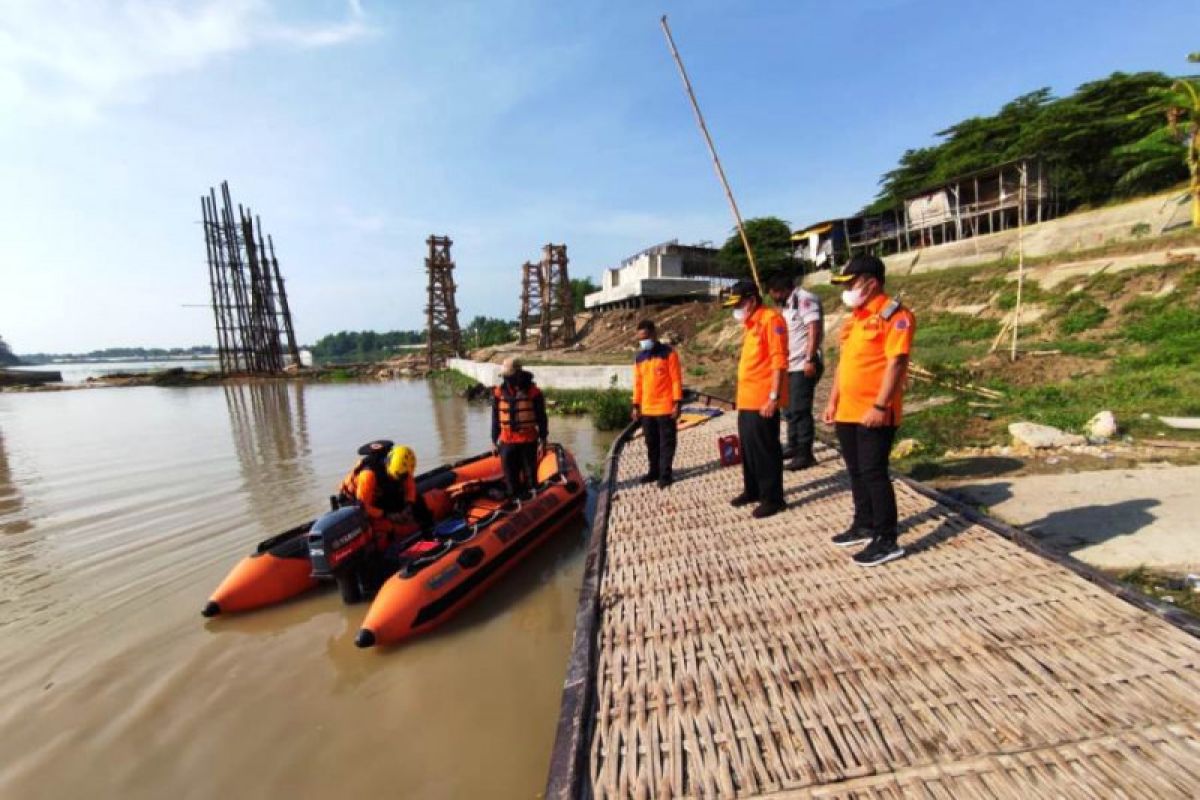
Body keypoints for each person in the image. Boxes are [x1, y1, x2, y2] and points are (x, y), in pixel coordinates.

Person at [823, 254, 916, 567]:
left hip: (874, 410)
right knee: (856, 471)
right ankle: (864, 523)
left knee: (874, 473)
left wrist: (880, 405)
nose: (847, 289)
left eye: (850, 283)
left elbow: (897, 362)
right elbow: (844, 364)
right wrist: (832, 401)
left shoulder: (895, 316)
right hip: (848, 410)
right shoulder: (856, 318)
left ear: (871, 283)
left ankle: (887, 538)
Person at [724, 279, 789, 519]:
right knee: (749, 450)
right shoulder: (751, 324)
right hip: (747, 400)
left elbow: (779, 361)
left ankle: (773, 498)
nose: (736, 309)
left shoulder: (770, 320)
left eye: (739, 304)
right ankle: (752, 490)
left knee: (765, 450)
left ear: (751, 301)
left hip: (763, 400)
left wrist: (773, 397)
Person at [767, 272, 824, 470]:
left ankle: (805, 453)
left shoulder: (804, 300)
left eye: (774, 293)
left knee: (800, 410)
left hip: (803, 364)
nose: (773, 298)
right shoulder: (787, 305)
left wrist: (810, 359)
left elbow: (813, 329)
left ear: (781, 290)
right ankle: (793, 445)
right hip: (789, 365)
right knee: (789, 410)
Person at [342, 440, 433, 539]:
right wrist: (387, 515)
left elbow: (410, 487)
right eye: (399, 476)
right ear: (388, 465)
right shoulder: (368, 475)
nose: (402, 478)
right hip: (357, 499)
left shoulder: (403, 466)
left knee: (418, 500)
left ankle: (428, 530)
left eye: (403, 476)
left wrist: (408, 505)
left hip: (380, 490)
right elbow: (363, 507)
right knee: (373, 521)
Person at [631, 319, 683, 488]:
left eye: (645, 337)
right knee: (651, 443)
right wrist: (635, 405)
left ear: (654, 335)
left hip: (665, 408)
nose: (642, 341)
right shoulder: (640, 358)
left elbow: (676, 380)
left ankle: (665, 474)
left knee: (666, 443)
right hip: (647, 409)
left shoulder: (669, 354)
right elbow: (637, 384)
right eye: (639, 339)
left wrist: (677, 403)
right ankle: (653, 471)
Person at [492, 357, 549, 498]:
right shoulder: (499, 393)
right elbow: (495, 418)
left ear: (518, 373)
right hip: (506, 442)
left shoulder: (534, 392)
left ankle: (533, 504)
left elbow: (541, 417)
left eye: (509, 376)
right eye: (505, 376)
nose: (506, 379)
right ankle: (514, 505)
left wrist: (543, 438)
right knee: (511, 482)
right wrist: (494, 440)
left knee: (531, 480)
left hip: (528, 442)